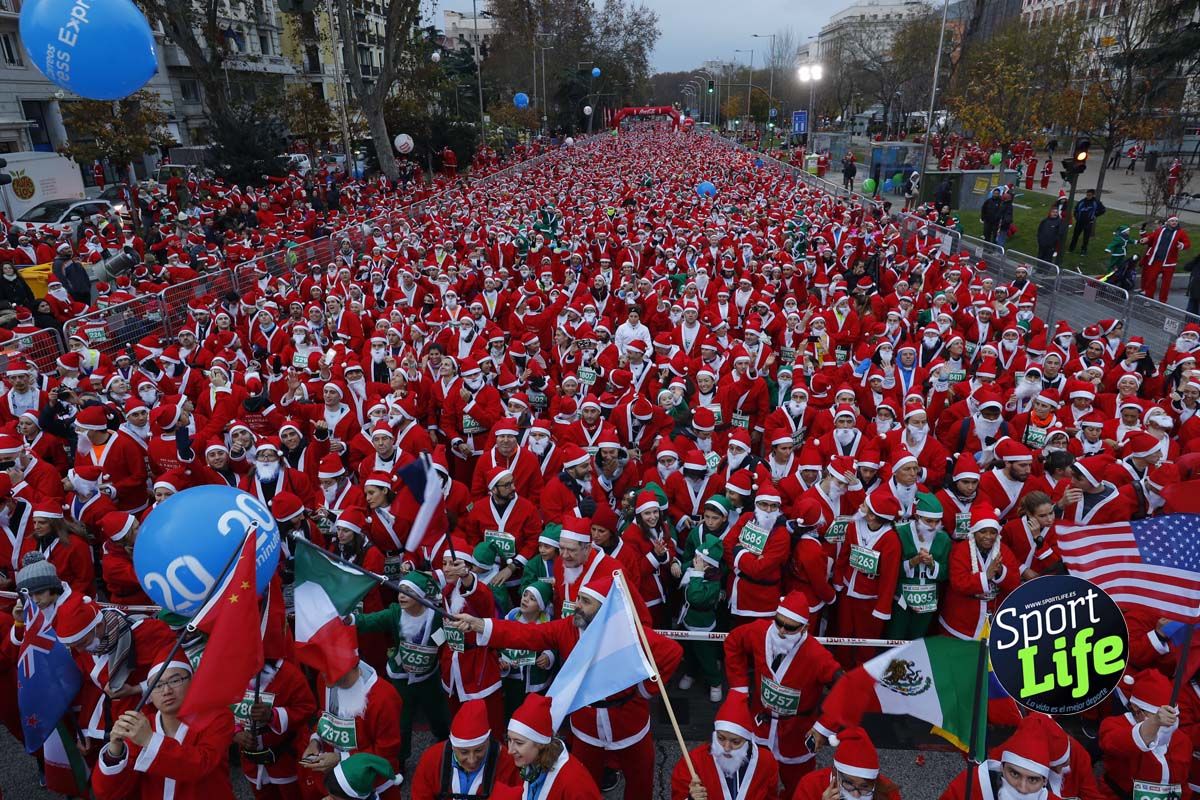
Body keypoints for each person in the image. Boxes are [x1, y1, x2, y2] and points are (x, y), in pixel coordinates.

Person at [92, 656, 236, 799]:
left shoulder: (218, 718)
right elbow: (107, 793)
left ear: (193, 681)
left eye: (175, 680)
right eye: (157, 685)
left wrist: (150, 740)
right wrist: (115, 751)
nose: (166, 690)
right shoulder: (143, 725)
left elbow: (201, 765)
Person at [669, 693, 779, 800]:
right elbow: (678, 795)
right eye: (721, 738)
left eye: (735, 742)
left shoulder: (766, 762)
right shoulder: (693, 762)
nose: (726, 748)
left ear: (748, 741)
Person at [409, 698, 520, 799]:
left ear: (488, 742)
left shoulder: (507, 762)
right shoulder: (431, 759)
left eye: (478, 750)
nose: (472, 760)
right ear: (452, 746)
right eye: (464, 752)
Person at [504, 694, 601, 799]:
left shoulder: (573, 783)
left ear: (540, 744)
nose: (510, 750)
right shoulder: (532, 762)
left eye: (519, 743)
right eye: (509, 740)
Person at [790, 727, 900, 800]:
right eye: (849, 783)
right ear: (835, 772)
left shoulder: (887, 790)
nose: (856, 795)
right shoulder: (810, 785)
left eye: (865, 786)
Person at [1140, 216, 1191, 303]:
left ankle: (1162, 301)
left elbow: (1187, 243)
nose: (1174, 222)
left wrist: (1182, 245)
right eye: (1172, 221)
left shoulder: (1180, 232)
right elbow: (1151, 237)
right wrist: (1146, 239)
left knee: (1165, 284)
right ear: (1168, 222)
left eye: (1176, 221)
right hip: (1156, 260)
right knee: (1151, 280)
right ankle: (1148, 299)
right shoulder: (1160, 230)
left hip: (1169, 263)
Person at [1068, 189, 1105, 255]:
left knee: (1086, 237)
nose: (1088, 196)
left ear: (1093, 195)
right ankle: (1071, 248)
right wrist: (1076, 217)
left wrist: (1095, 215)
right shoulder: (1082, 201)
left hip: (1088, 223)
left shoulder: (1096, 202)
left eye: (1089, 195)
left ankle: (1083, 250)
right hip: (1079, 222)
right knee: (1075, 235)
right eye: (1087, 195)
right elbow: (1076, 209)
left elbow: (1103, 210)